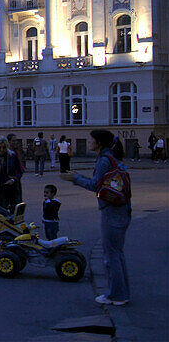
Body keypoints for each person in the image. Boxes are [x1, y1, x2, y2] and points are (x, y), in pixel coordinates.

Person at [62, 129, 131, 306]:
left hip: (112, 210)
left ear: (99, 143)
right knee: (118, 253)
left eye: (92, 140)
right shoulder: (113, 158)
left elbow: (95, 186)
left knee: (111, 255)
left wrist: (75, 178)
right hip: (122, 209)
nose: (89, 142)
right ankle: (122, 292)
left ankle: (116, 295)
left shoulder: (103, 161)